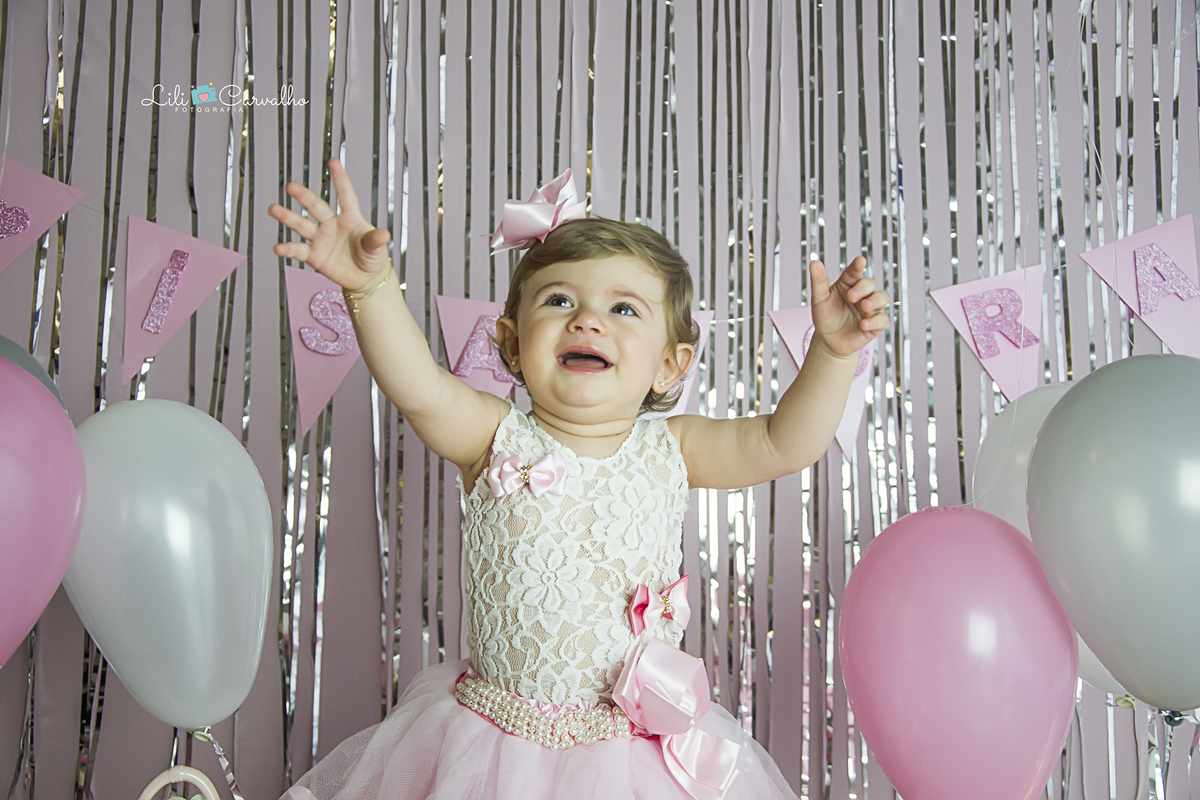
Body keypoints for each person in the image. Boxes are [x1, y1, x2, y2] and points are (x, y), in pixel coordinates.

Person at [267, 159, 889, 800]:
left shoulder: (675, 448)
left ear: (670, 366)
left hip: (633, 758)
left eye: (623, 308)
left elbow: (782, 442)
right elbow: (421, 390)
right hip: (490, 751)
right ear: (510, 344)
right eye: (560, 300)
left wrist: (834, 353)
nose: (588, 320)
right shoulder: (493, 437)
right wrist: (370, 289)